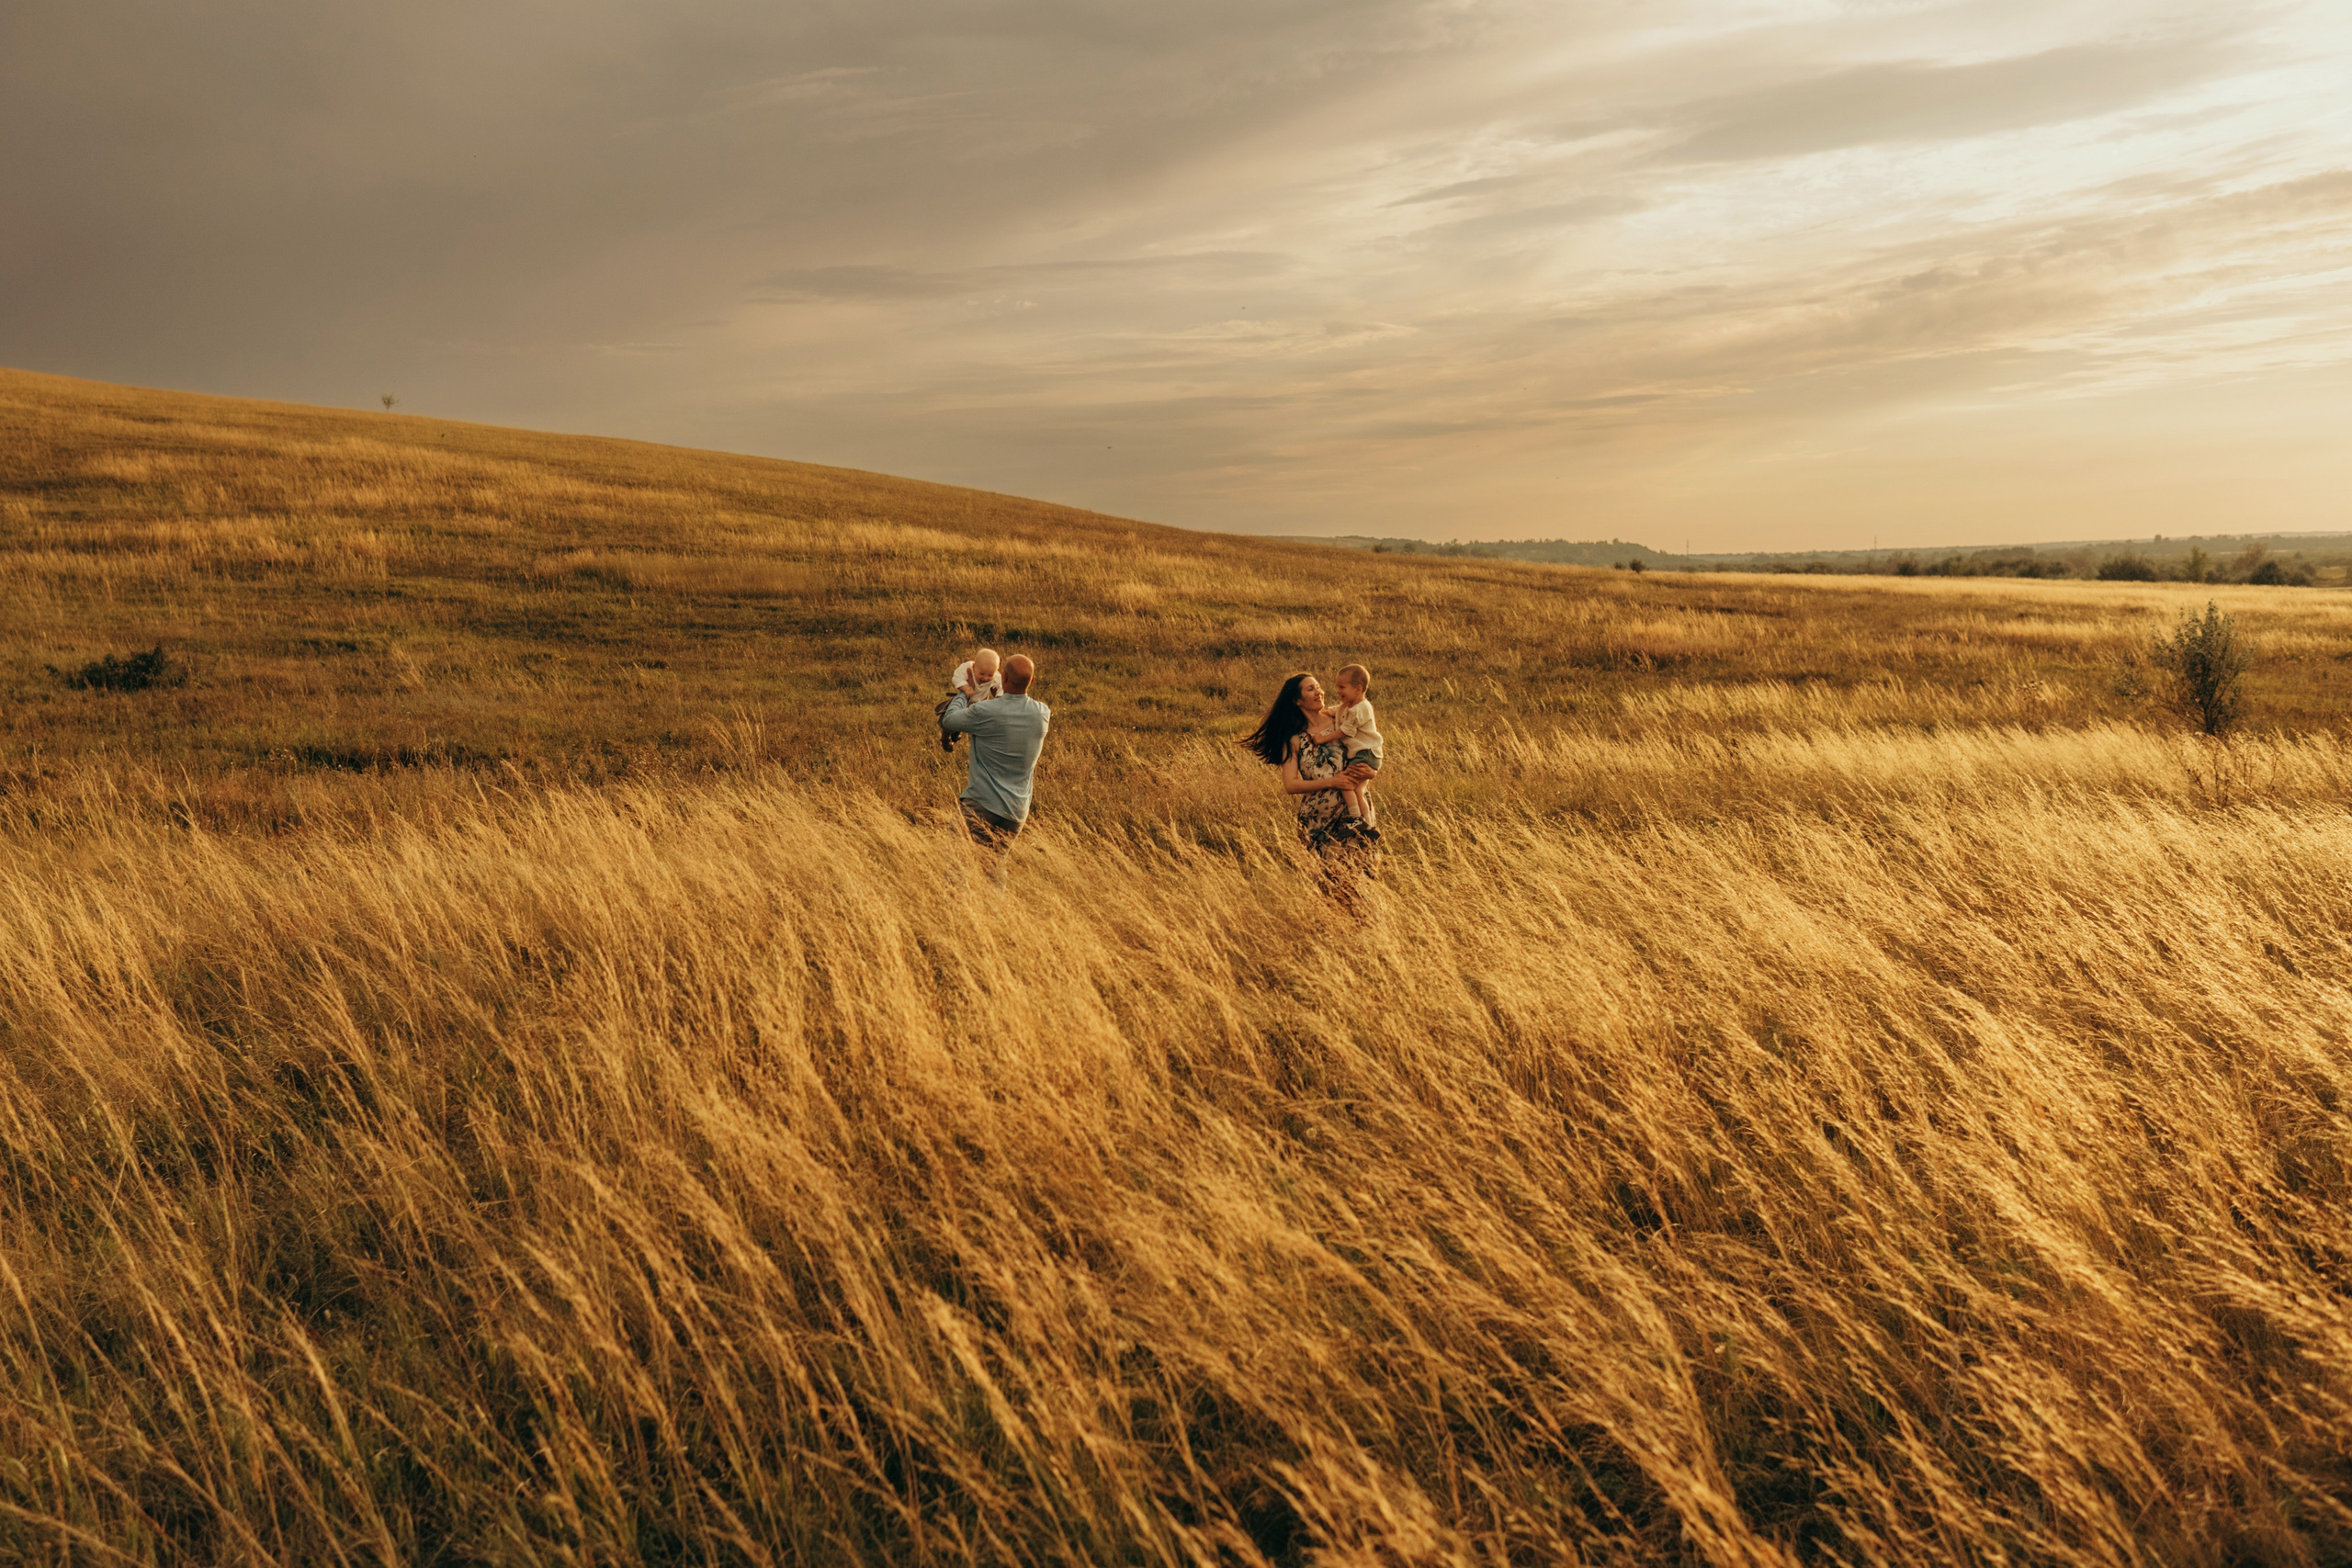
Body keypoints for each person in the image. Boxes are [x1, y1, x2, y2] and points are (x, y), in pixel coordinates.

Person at [1237, 671, 1380, 892]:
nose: (1319, 691)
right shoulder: (1295, 739)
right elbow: (1291, 785)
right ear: (1297, 700)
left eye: (1318, 686)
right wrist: (1333, 782)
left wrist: (1371, 771)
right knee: (1329, 887)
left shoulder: (1341, 720)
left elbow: (1369, 745)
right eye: (1310, 688)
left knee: (1365, 882)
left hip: (1357, 816)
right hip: (1320, 821)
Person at [940, 653, 1049, 847]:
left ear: (1003, 678)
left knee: (956, 864)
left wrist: (965, 692)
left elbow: (949, 720)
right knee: (992, 869)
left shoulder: (986, 711)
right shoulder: (1042, 713)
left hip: (981, 804)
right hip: (1016, 812)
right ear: (1031, 680)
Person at [1304, 661, 1383, 819]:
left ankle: (1355, 819)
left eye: (1342, 687)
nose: (1338, 691)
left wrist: (1323, 739)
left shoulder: (1361, 709)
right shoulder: (1347, 705)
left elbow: (1346, 730)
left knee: (1346, 784)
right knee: (1358, 790)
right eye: (1338, 687)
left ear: (1358, 689)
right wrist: (1318, 715)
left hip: (1365, 754)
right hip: (1363, 753)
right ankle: (1365, 822)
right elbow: (1334, 711)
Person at [934, 647, 1003, 751]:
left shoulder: (997, 676)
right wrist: (966, 687)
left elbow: (1001, 687)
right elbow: (957, 677)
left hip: (981, 702)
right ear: (975, 666)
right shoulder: (967, 668)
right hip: (964, 700)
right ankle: (945, 738)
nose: (985, 678)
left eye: (990, 675)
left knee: (970, 723)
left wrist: (999, 697)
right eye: (982, 674)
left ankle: (958, 733)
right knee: (949, 722)